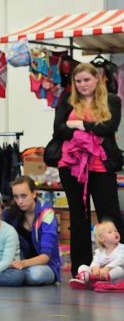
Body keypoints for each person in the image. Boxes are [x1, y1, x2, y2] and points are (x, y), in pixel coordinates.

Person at [54, 62, 124, 277]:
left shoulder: (111, 100)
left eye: (87, 79)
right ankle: (81, 268)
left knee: (109, 216)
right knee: (78, 217)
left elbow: (108, 127)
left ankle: (118, 265)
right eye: (78, 81)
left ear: (97, 79)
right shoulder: (67, 100)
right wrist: (91, 129)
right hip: (71, 166)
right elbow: (59, 130)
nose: (83, 84)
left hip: (101, 166)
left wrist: (79, 125)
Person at [3, 175, 60, 286]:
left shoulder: (47, 215)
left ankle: (12, 276)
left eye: (24, 196)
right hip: (19, 262)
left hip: (45, 266)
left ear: (34, 193)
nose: (19, 201)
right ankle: (13, 276)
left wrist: (23, 264)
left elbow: (45, 256)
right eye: (16, 197)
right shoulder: (11, 212)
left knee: (34, 275)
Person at [69, 221, 124, 289]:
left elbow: (120, 260)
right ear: (101, 238)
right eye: (110, 232)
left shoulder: (122, 248)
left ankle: (95, 280)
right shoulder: (99, 251)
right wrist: (95, 267)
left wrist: (107, 268)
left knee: (119, 270)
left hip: (113, 277)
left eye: (116, 231)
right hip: (99, 273)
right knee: (82, 266)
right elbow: (95, 261)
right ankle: (85, 278)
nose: (115, 233)